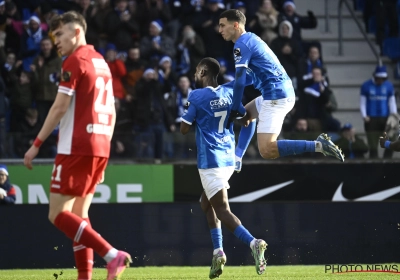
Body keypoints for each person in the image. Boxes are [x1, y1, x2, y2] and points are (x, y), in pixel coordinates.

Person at [23, 11, 131, 280]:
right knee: (79, 216)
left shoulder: (75, 60)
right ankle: (85, 276)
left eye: (59, 34)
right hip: (99, 146)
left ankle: (111, 254)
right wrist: (104, 152)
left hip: (76, 146)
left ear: (76, 31)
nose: (55, 40)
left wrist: (37, 143)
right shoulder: (102, 63)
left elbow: (60, 107)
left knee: (57, 214)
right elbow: (113, 111)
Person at [218, 9, 344, 172]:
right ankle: (237, 159)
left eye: (222, 25)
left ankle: (318, 145)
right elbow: (249, 78)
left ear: (235, 25)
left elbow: (241, 82)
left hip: (276, 97)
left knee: (266, 150)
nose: (220, 30)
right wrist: (222, 88)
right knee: (246, 116)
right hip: (279, 92)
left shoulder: (241, 45)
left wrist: (235, 107)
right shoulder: (251, 39)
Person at [180, 57, 267, 279]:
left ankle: (253, 243)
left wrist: (191, 110)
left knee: (221, 210)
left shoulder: (196, 96)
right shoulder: (230, 91)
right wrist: (239, 153)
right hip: (228, 158)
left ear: (202, 72)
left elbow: (183, 129)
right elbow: (249, 118)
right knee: (205, 203)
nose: (194, 74)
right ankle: (218, 252)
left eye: (196, 70)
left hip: (210, 162)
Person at [361, 65, 397, 159]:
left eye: (383, 78)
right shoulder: (366, 85)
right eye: (379, 78)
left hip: (385, 118)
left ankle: (387, 161)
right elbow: (363, 103)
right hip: (371, 118)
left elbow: (392, 102)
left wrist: (394, 115)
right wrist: (364, 116)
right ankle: (374, 164)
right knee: (373, 145)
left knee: (391, 140)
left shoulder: (389, 86)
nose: (381, 80)